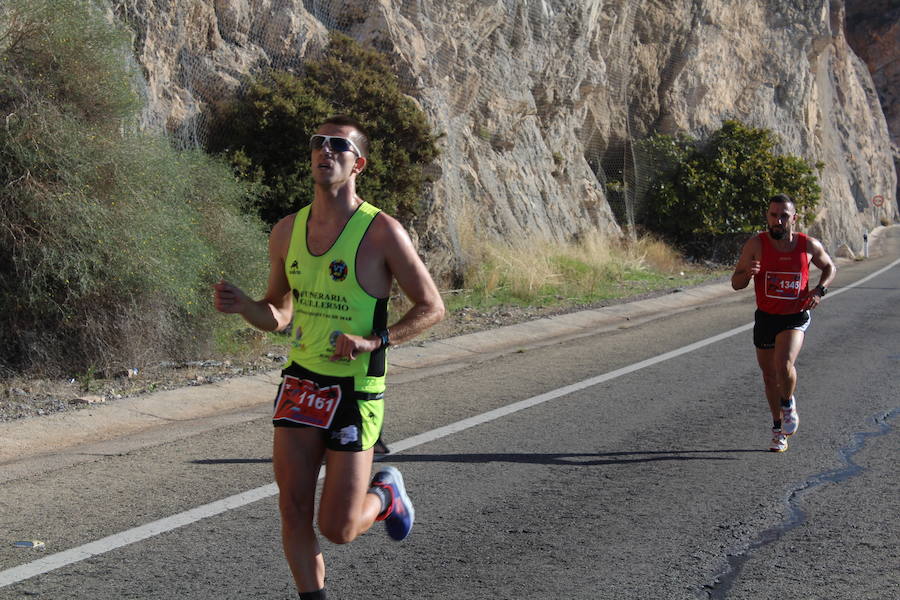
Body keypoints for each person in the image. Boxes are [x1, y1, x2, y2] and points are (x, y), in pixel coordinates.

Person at [214, 115, 445, 599]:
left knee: (338, 528)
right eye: (318, 143)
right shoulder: (286, 231)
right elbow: (278, 313)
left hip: (355, 389)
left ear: (357, 163)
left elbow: (432, 307)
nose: (325, 151)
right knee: (292, 508)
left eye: (338, 146)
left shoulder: (381, 231)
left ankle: (384, 495)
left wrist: (375, 341)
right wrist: (245, 308)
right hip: (301, 383)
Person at [731, 194, 836, 452]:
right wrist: (748, 273)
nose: (778, 221)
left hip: (795, 315)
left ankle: (788, 403)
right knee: (769, 377)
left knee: (783, 364)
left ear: (794, 219)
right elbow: (736, 282)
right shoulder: (756, 245)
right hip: (766, 317)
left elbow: (830, 267)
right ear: (767, 217)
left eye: (784, 216)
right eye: (773, 215)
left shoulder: (807, 245)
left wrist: (819, 291)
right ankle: (778, 429)